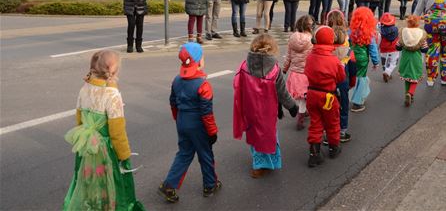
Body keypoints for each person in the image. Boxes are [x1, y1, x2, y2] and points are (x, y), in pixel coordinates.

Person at [63, 50, 145, 211]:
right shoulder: (112, 95)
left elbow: (79, 119)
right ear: (113, 71)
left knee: (88, 182)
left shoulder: (84, 89)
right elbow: (117, 132)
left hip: (87, 148)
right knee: (113, 186)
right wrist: (124, 155)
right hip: (107, 151)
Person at [159, 43, 221, 203]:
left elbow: (173, 103)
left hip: (182, 121)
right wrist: (212, 132)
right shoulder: (203, 85)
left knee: (184, 153)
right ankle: (210, 184)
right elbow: (207, 113)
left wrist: (178, 119)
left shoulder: (177, 80)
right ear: (199, 61)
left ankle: (169, 185)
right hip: (198, 125)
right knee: (205, 154)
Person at [233, 34, 298, 177]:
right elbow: (282, 93)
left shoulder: (244, 66)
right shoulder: (274, 69)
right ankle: (270, 162)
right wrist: (292, 106)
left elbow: (237, 86)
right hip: (268, 112)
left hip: (250, 110)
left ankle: (259, 165)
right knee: (269, 135)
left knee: (255, 135)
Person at [304, 26, 346, 167]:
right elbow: (341, 77)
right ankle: (334, 147)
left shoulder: (310, 57)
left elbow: (306, 72)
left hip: (311, 94)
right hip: (328, 96)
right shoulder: (334, 60)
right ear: (331, 40)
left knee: (315, 122)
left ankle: (314, 152)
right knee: (332, 123)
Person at [327, 10, 357, 143]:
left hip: (327, 82)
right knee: (343, 106)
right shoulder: (348, 49)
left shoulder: (324, 46)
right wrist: (352, 82)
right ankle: (342, 131)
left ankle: (328, 132)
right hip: (343, 80)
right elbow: (353, 68)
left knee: (328, 107)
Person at [282, 15, 314, 130]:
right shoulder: (312, 40)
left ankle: (302, 112)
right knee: (304, 98)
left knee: (299, 97)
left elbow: (288, 55)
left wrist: (285, 68)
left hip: (295, 73)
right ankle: (300, 117)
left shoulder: (292, 38)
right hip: (306, 74)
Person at [349, 7, 380, 112]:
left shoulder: (351, 31)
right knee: (361, 78)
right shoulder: (369, 33)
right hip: (363, 58)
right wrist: (376, 61)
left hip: (351, 56)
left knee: (353, 76)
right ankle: (357, 103)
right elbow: (373, 49)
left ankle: (349, 94)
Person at [396, 15, 428, 106]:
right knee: (415, 77)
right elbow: (424, 49)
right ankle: (410, 93)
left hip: (405, 58)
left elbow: (397, 47)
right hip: (416, 59)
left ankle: (407, 93)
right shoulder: (421, 34)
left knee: (407, 77)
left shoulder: (404, 32)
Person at [379, 13, 399, 83]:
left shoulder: (381, 29)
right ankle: (388, 72)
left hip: (383, 48)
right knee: (394, 62)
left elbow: (379, 38)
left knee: (384, 61)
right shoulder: (396, 29)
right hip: (393, 48)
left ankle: (386, 71)